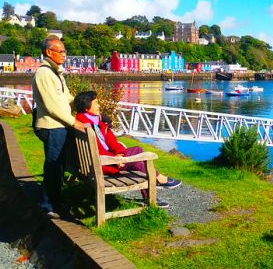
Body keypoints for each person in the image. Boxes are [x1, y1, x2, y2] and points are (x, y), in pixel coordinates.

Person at [73, 91, 181, 208]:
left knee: (138, 152)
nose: (99, 106)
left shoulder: (93, 120)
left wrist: (120, 154)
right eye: (96, 103)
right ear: (86, 108)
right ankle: (157, 183)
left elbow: (112, 141)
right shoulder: (85, 125)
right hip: (102, 164)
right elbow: (96, 151)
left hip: (106, 160)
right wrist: (115, 159)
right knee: (138, 159)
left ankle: (153, 188)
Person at [32, 35, 86, 219]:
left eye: (64, 51)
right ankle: (48, 205)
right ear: (49, 52)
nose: (65, 55)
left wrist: (84, 107)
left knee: (58, 166)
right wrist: (74, 122)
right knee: (53, 166)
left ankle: (55, 201)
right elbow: (52, 105)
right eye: (61, 51)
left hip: (58, 126)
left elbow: (66, 98)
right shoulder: (44, 73)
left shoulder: (55, 73)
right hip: (52, 126)